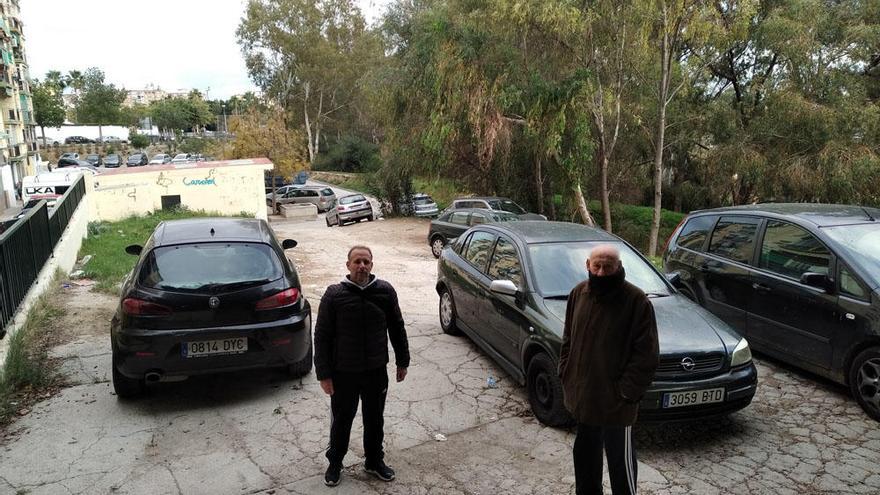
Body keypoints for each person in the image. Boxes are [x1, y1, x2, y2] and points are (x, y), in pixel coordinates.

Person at [558, 244, 659, 495]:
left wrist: (626, 393)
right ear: (588, 266)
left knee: (620, 466)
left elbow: (646, 356)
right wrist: (566, 371)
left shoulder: (636, 301)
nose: (602, 272)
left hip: (617, 405)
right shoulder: (578, 293)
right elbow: (568, 338)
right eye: (597, 266)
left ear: (619, 267)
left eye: (608, 266)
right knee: (585, 460)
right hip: (584, 397)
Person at [314, 245, 410, 487]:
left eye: (366, 261)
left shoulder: (385, 291)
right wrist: (324, 374)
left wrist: (403, 360)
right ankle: (335, 463)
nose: (362, 266)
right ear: (348, 265)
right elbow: (322, 336)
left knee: (375, 419)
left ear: (372, 265)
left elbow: (397, 327)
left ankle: (374, 461)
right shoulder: (334, 295)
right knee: (342, 420)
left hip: (376, 371)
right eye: (357, 261)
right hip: (343, 372)